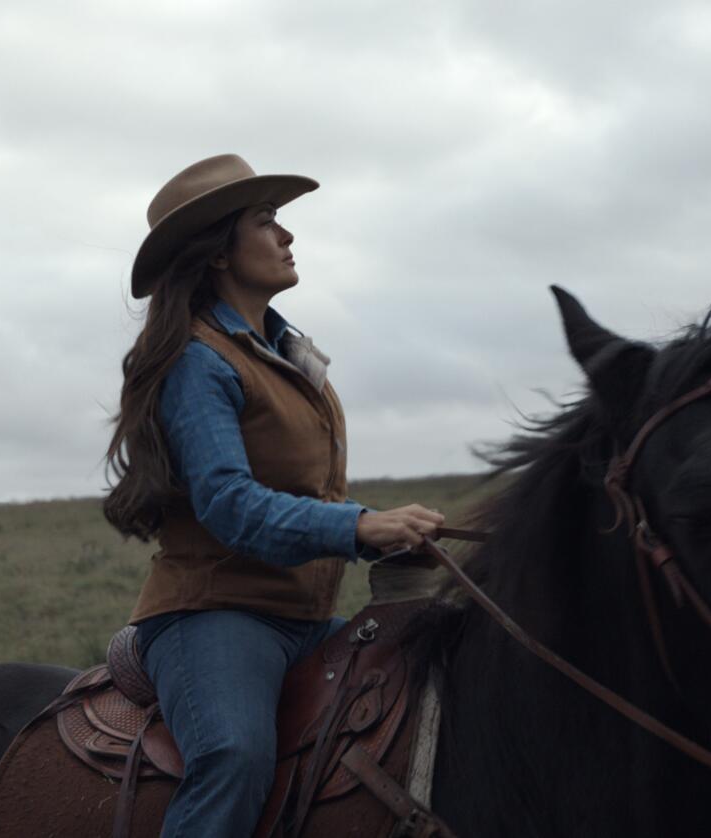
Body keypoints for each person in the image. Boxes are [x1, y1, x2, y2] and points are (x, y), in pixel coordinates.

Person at [101, 154, 445, 837]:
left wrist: (384, 528)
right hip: (215, 615)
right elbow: (230, 504)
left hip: (306, 617)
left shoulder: (285, 353)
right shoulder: (198, 361)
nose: (286, 236)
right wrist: (361, 527)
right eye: (266, 222)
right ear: (219, 252)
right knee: (234, 756)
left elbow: (302, 492)